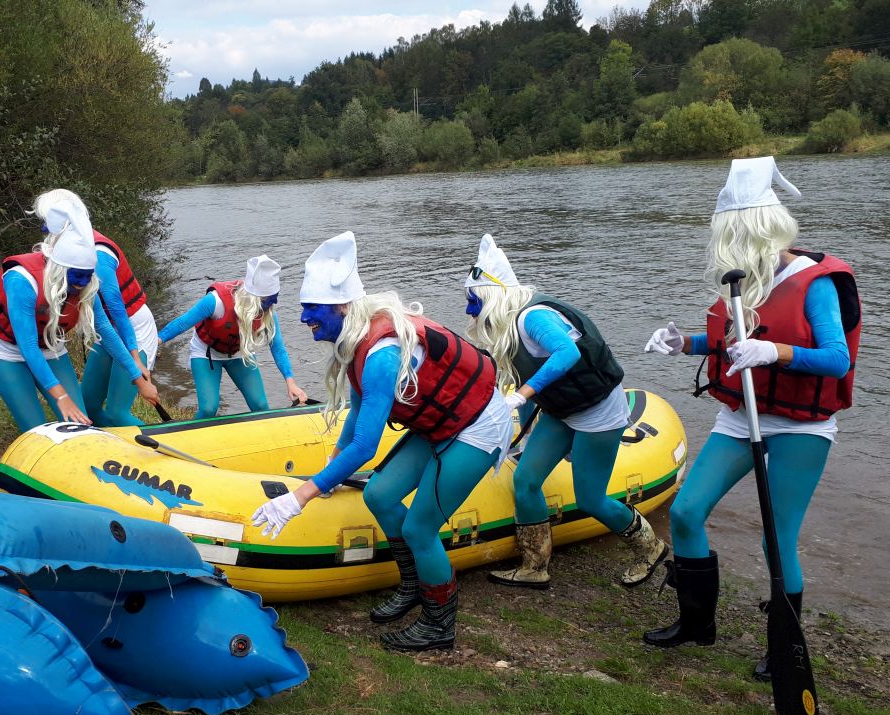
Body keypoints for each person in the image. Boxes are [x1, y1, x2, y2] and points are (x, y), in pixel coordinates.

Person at [641, 157, 859, 681]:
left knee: (775, 538)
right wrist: (685, 343)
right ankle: (696, 624)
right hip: (742, 415)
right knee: (688, 511)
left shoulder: (816, 282)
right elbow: (728, 342)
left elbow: (837, 358)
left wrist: (776, 352)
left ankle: (783, 645)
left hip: (801, 426)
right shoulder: (748, 279)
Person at [251, 232, 512, 652]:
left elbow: (366, 448)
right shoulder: (357, 340)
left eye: (311, 310)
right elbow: (358, 413)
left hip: (476, 423)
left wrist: (300, 496)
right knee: (381, 493)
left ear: (340, 307)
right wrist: (332, 463)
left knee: (420, 527)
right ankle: (413, 585)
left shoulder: (383, 355)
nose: (303, 319)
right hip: (439, 423)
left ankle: (438, 623)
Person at [464, 232, 668, 590]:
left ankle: (650, 549)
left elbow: (567, 354)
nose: (470, 311)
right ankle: (535, 565)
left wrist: (523, 394)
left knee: (591, 499)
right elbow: (527, 378)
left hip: (598, 413)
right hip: (561, 411)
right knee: (525, 481)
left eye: (473, 301)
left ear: (493, 296)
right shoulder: (510, 327)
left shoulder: (532, 319)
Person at [0, 189, 152, 431]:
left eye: (86, 277)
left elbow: (105, 329)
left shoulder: (86, 285)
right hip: (7, 349)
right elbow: (27, 347)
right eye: (76, 277)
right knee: (37, 431)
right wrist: (60, 396)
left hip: (50, 345)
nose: (81, 284)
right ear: (60, 269)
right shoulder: (22, 281)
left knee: (81, 426)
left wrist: (138, 378)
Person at [156, 255, 307, 418]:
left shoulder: (268, 312)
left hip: (240, 353)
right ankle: (187, 438)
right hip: (207, 354)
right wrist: (157, 340)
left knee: (261, 406)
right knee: (208, 409)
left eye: (271, 302)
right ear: (252, 298)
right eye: (264, 303)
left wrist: (290, 382)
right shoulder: (216, 302)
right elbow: (183, 323)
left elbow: (277, 347)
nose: (265, 310)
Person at [80, 227, 160, 425]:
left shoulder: (101, 256)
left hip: (135, 326)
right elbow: (104, 324)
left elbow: (117, 309)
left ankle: (166, 448)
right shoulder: (68, 256)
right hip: (106, 329)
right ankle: (113, 446)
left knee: (117, 413)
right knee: (88, 406)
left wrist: (136, 363)